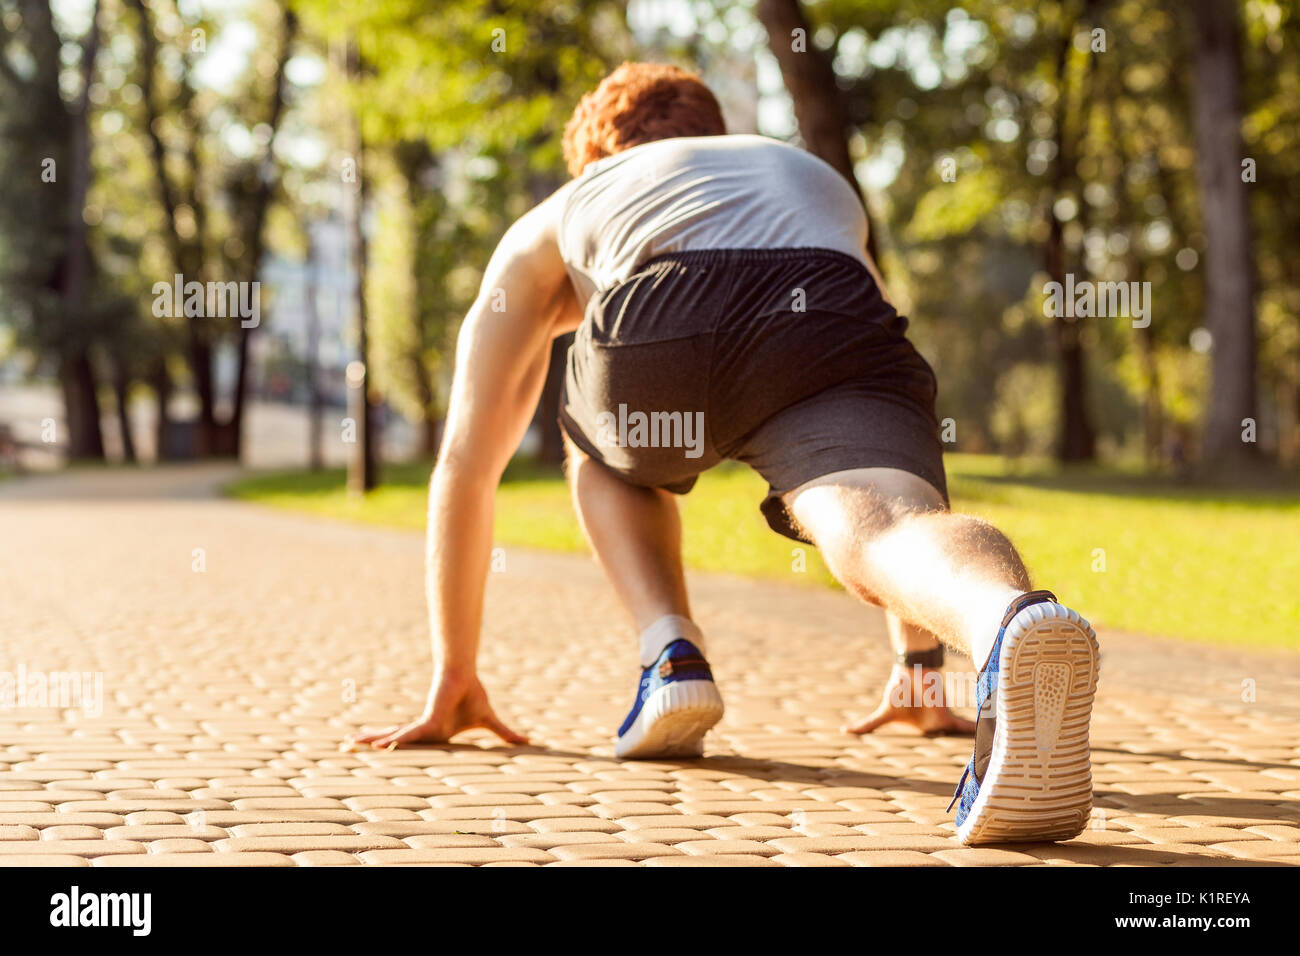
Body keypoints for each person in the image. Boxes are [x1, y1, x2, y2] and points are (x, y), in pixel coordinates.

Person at [350, 63, 1100, 845]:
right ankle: (1007, 620)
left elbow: (467, 463)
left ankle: (670, 655)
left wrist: (456, 676)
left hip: (656, 323)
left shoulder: (574, 199)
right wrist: (920, 666)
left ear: (597, 153)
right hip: (825, 303)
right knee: (885, 521)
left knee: (602, 449)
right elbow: (888, 383)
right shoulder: (801, 175)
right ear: (716, 135)